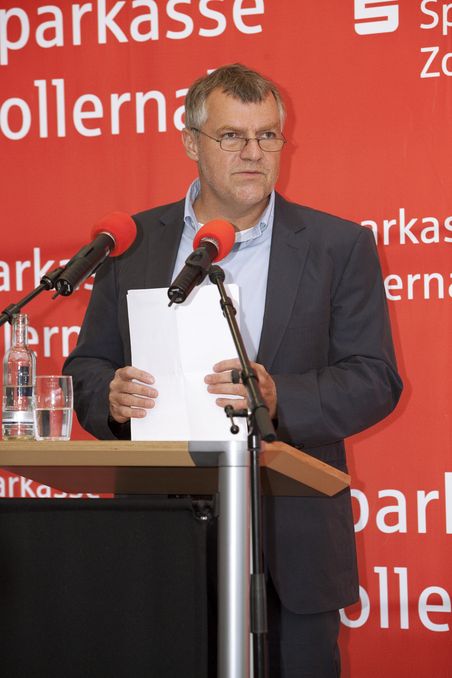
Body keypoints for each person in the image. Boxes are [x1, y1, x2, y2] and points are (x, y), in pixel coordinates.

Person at [64, 63, 403, 677]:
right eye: (232, 136)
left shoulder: (338, 245)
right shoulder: (133, 243)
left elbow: (375, 378)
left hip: (292, 548)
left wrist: (279, 397)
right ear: (191, 143)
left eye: (267, 135)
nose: (253, 153)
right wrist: (109, 399)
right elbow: (88, 364)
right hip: (159, 539)